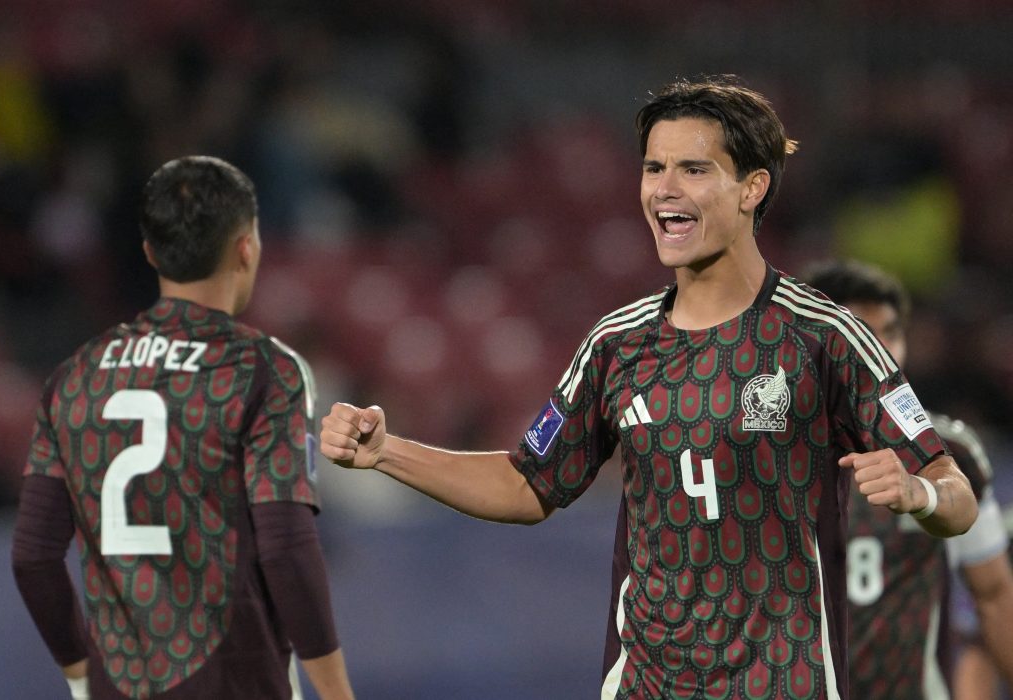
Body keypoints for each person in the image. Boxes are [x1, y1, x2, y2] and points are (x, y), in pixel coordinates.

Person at [320, 75, 978, 699]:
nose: (664, 190)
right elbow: (527, 485)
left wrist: (918, 493)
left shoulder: (825, 338)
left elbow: (953, 490)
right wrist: (387, 454)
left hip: (783, 683)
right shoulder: (617, 346)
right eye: (653, 168)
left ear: (751, 188)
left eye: (693, 169)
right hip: (646, 684)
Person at [11, 156, 355, 700]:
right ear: (246, 247)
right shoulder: (262, 370)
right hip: (236, 683)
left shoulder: (74, 376)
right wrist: (336, 693)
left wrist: (82, 677)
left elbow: (32, 557)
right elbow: (286, 549)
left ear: (150, 252)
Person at [803, 259, 1013, 699]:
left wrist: (923, 492)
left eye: (891, 334)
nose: (882, 353)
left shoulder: (950, 455)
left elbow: (994, 596)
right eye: (863, 336)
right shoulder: (763, 453)